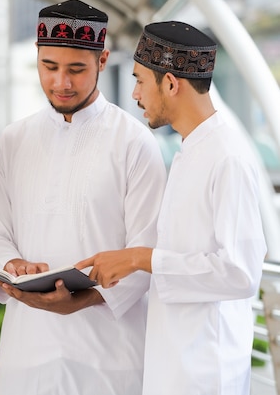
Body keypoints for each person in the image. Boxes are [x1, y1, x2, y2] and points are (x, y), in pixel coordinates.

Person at [0, 0, 167, 395]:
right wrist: (12, 264)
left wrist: (80, 301)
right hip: (27, 352)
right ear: (38, 57)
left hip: (109, 358)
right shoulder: (13, 140)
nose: (61, 82)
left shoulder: (134, 142)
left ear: (102, 61)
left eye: (76, 69)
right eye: (50, 68)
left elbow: (147, 252)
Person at [76, 21, 267, 394]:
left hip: (208, 375)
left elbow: (241, 272)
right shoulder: (191, 151)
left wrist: (139, 259)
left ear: (170, 83)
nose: (134, 94)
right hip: (177, 367)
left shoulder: (227, 156)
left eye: (140, 80)